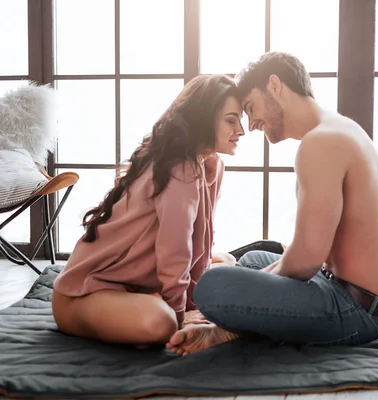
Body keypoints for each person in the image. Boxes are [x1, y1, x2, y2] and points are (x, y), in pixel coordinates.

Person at [167, 52, 378, 356]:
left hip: (355, 310)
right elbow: (311, 255)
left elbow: (305, 259)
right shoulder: (337, 128)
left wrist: (243, 298)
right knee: (250, 262)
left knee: (214, 286)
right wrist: (256, 282)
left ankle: (230, 329)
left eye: (250, 108)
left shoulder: (321, 142)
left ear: (274, 85)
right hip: (351, 293)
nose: (250, 125)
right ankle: (237, 325)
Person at [51, 74, 245, 348]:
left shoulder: (208, 163)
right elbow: (175, 251)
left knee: (225, 262)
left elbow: (203, 237)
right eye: (231, 120)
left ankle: (151, 304)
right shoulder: (181, 166)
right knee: (161, 322)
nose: (241, 130)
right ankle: (152, 310)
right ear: (204, 117)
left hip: (135, 286)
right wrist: (179, 316)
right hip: (85, 294)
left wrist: (193, 300)